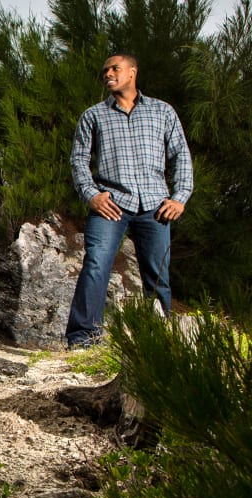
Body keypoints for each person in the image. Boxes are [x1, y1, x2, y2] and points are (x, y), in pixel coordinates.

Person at [65, 53, 194, 349]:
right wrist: (91, 194)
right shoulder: (93, 115)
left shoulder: (163, 112)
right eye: (105, 71)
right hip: (111, 204)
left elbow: (181, 157)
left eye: (115, 68)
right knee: (96, 265)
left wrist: (180, 198)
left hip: (155, 206)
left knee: (158, 277)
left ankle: (158, 342)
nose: (108, 74)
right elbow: (78, 161)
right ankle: (83, 339)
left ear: (132, 72)